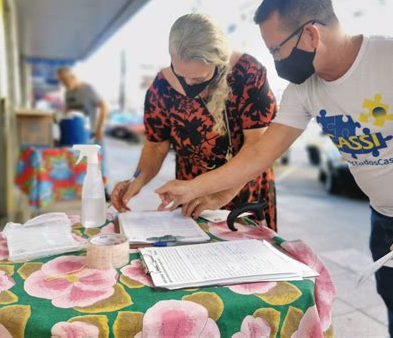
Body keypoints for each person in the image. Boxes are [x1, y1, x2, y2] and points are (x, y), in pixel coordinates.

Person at [156, 0, 393, 337]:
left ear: (310, 35)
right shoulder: (305, 89)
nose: (275, 60)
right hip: (384, 220)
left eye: (276, 49)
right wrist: (200, 189)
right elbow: (261, 151)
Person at [111, 13, 278, 230]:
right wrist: (137, 180)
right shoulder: (162, 87)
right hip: (191, 196)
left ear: (218, 63)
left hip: (243, 189)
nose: (188, 83)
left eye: (198, 78)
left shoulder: (248, 74)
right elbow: (155, 145)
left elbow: (257, 148)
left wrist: (220, 193)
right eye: (180, 74)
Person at [57, 66, 110, 199]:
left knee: (98, 163)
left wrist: (100, 128)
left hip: (92, 133)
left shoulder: (87, 89)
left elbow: (104, 106)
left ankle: (104, 190)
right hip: (76, 134)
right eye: (61, 82)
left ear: (71, 77)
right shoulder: (68, 93)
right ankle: (80, 189)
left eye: (65, 80)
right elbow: (67, 109)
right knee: (78, 162)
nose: (64, 84)